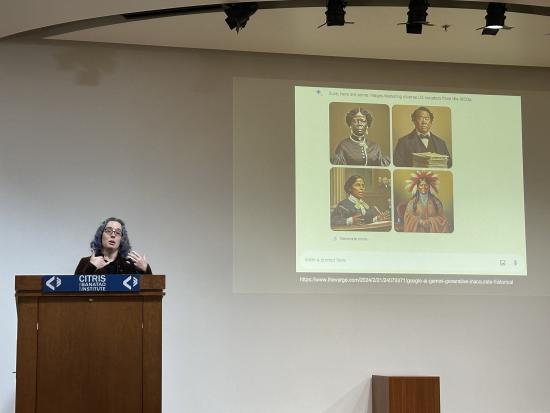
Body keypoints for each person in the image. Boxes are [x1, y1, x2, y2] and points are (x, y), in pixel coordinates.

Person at [74, 217, 152, 274]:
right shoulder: (85, 262)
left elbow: (150, 293)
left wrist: (146, 269)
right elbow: (74, 291)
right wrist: (91, 267)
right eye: (108, 231)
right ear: (101, 235)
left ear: (122, 239)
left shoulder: (129, 266)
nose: (113, 235)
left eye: (118, 232)